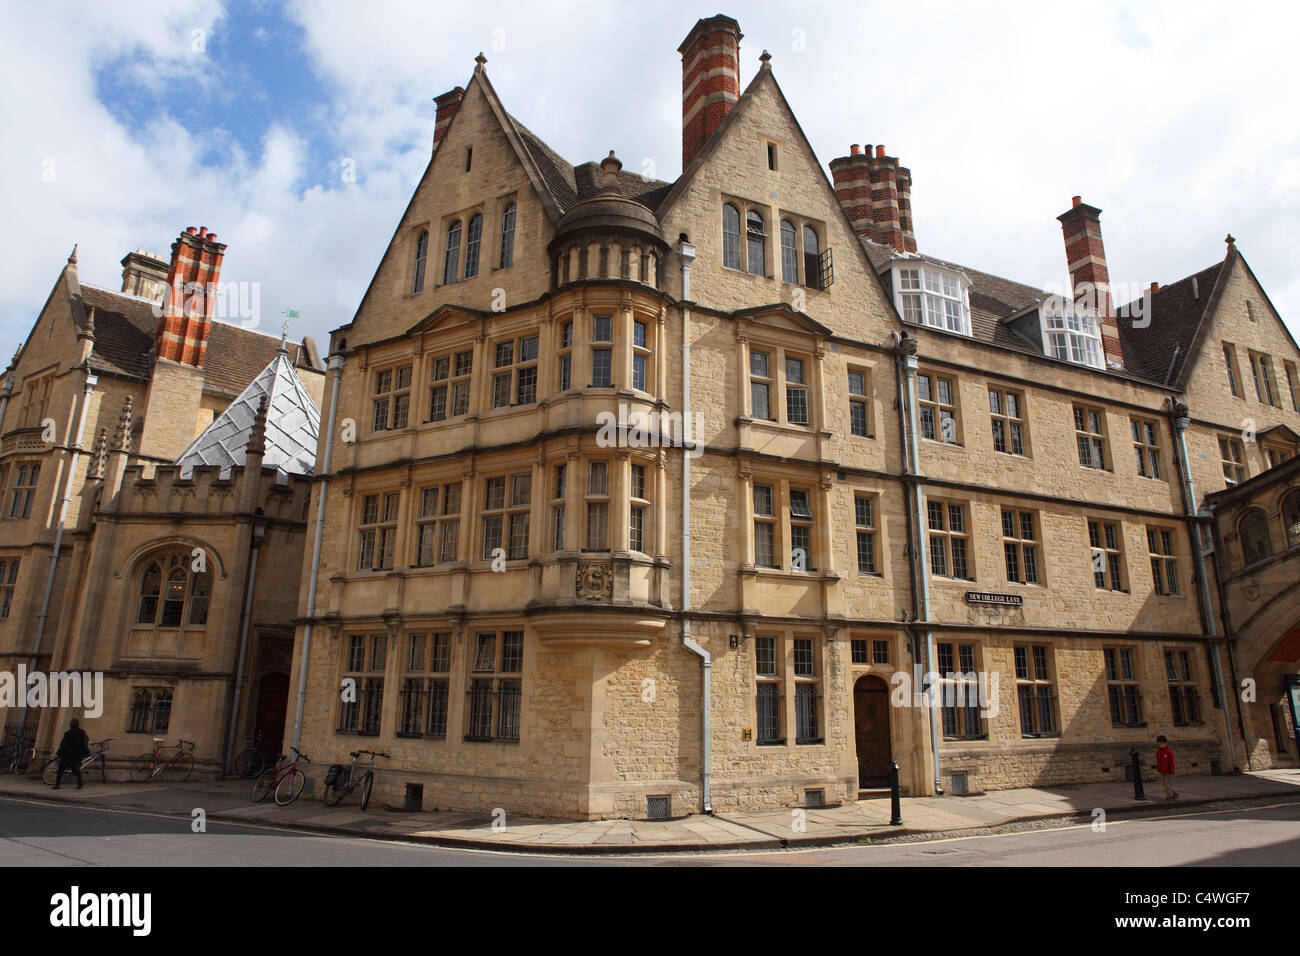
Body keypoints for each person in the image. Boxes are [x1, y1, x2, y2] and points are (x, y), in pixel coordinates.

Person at [53, 718, 90, 790]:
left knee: (61, 769)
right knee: (75, 769)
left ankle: (57, 784)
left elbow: (63, 744)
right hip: (77, 754)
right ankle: (79, 783)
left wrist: (58, 753)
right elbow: (87, 740)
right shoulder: (82, 732)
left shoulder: (68, 733)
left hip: (68, 754)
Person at [1155, 734, 1178, 801]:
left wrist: (1172, 770)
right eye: (1159, 744)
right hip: (1162, 770)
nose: (1161, 745)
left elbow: (1171, 762)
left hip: (1168, 771)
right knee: (1164, 784)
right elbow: (1158, 762)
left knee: (1168, 784)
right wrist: (1158, 769)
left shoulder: (1168, 752)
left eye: (1162, 744)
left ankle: (1170, 796)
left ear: (1165, 743)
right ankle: (1172, 794)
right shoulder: (1158, 752)